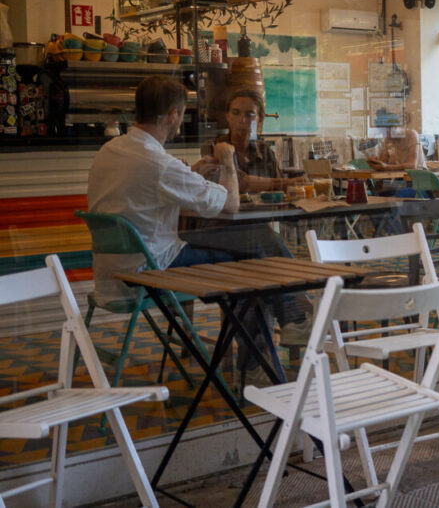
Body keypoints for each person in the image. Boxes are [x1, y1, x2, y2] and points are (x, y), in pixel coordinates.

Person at [88, 77, 307, 383]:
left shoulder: (110, 150)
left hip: (114, 268)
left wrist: (190, 175)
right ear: (174, 115)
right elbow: (230, 204)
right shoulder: (159, 162)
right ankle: (265, 352)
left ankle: (283, 330)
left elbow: (150, 192)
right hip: (151, 268)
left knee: (255, 244)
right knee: (250, 264)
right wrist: (228, 160)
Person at [198, 89, 308, 193]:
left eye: (250, 115)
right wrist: (288, 182)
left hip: (263, 213)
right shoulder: (213, 147)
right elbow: (239, 183)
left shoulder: (265, 151)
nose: (242, 120)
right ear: (228, 116)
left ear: (260, 120)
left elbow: (280, 192)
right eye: (236, 113)